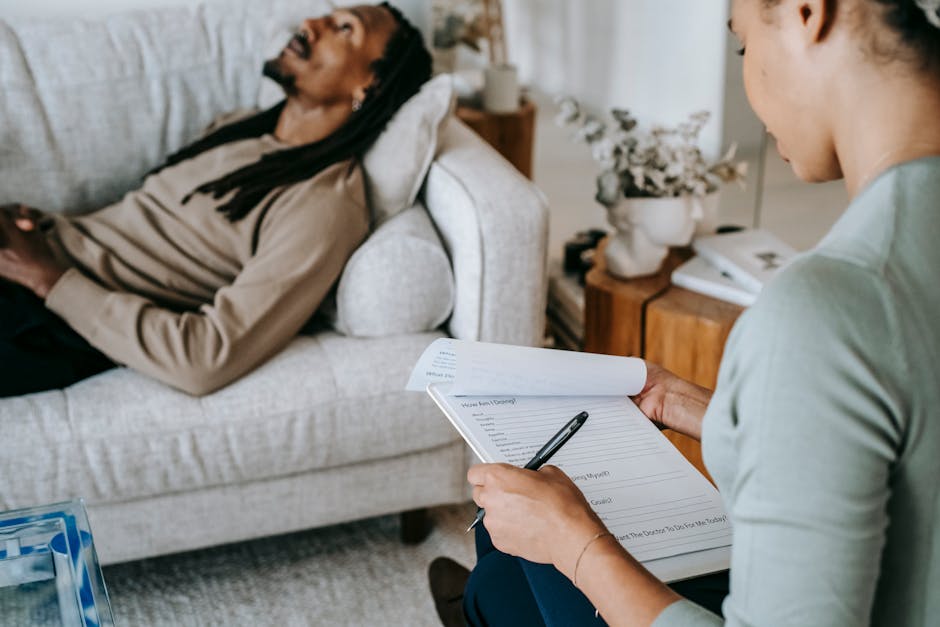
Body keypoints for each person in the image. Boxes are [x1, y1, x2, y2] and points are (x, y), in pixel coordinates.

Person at [429, 0, 940, 624]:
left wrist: (575, 540)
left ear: (809, 12)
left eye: (745, 46)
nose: (750, 82)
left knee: (522, 548)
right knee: (507, 565)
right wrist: (702, 410)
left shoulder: (831, 303)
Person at [0, 3, 432, 398]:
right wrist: (41, 230)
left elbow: (207, 359)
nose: (311, 24)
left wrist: (48, 278)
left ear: (368, 85)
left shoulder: (323, 205)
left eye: (343, 29)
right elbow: (138, 231)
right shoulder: (243, 128)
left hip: (50, 320)